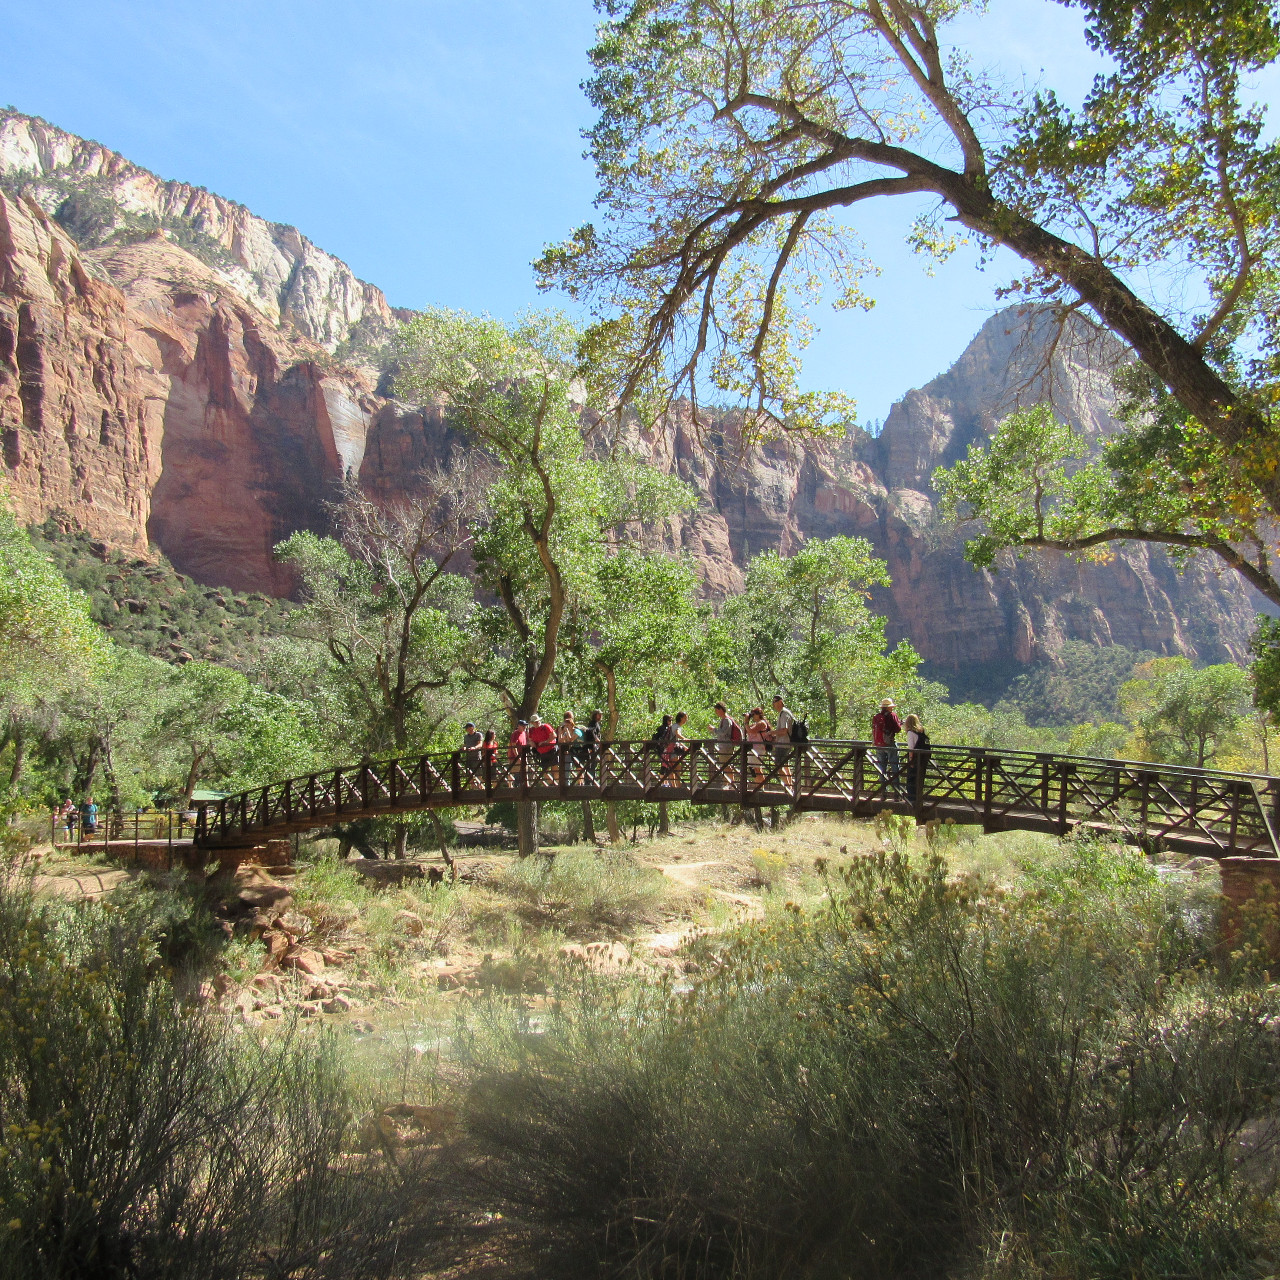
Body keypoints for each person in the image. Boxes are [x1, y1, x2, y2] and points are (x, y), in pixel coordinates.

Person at [872, 698, 905, 794]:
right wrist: (900, 723)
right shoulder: (892, 715)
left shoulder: (877, 716)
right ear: (889, 707)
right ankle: (897, 794)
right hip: (889, 743)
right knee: (895, 767)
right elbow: (897, 729)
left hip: (879, 745)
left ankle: (883, 793)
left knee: (882, 769)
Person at [711, 702, 740, 787]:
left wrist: (714, 729)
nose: (716, 712)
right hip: (724, 746)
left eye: (716, 710)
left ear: (721, 709)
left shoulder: (727, 720)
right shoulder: (724, 719)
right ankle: (728, 783)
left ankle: (730, 783)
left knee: (726, 765)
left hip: (726, 746)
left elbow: (723, 732)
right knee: (725, 765)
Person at [771, 693, 797, 787]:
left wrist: (771, 733)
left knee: (778, 766)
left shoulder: (784, 714)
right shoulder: (784, 713)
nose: (774, 704)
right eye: (773, 702)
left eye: (775, 702)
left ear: (781, 702)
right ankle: (790, 786)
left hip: (783, 744)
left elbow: (784, 730)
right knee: (785, 765)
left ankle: (788, 787)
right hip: (785, 743)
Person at [903, 713, 930, 798]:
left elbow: (911, 748)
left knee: (912, 778)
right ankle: (919, 797)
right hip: (923, 758)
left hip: (916, 759)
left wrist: (911, 760)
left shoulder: (911, 733)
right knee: (920, 777)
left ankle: (912, 798)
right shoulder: (921, 731)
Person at [661, 711, 690, 784]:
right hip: (674, 751)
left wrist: (684, 746)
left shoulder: (672, 726)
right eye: (685, 718)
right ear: (681, 718)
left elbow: (675, 739)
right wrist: (685, 738)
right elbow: (677, 734)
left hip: (668, 750)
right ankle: (677, 787)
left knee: (671, 769)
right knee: (677, 770)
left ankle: (673, 787)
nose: (686, 720)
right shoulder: (677, 727)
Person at [528, 714, 559, 781]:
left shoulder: (545, 727)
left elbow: (554, 736)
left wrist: (545, 742)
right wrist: (532, 744)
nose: (537, 722)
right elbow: (530, 740)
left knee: (555, 768)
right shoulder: (531, 730)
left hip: (551, 750)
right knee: (544, 771)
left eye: (538, 721)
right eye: (535, 721)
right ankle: (552, 784)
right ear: (532, 723)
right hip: (542, 752)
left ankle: (557, 785)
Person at [746, 708, 772, 785]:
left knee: (756, 769)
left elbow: (750, 730)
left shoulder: (761, 723)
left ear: (758, 715)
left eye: (753, 714)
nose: (752, 716)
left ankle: (760, 787)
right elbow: (747, 729)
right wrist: (747, 722)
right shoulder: (756, 724)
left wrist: (746, 721)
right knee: (753, 769)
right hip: (753, 748)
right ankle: (758, 786)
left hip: (759, 748)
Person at [581, 709, 605, 785]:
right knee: (591, 764)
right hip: (591, 747)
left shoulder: (595, 723)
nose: (600, 716)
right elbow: (591, 732)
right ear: (595, 715)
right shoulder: (593, 723)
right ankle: (589, 781)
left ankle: (591, 780)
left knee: (593, 764)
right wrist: (597, 740)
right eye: (599, 714)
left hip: (593, 747)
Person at [558, 711, 583, 782]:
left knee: (579, 768)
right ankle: (567, 784)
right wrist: (560, 732)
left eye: (568, 724)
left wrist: (567, 731)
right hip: (571, 752)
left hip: (579, 751)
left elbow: (570, 740)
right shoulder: (566, 732)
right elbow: (560, 741)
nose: (566, 726)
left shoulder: (577, 731)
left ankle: (581, 785)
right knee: (567, 768)